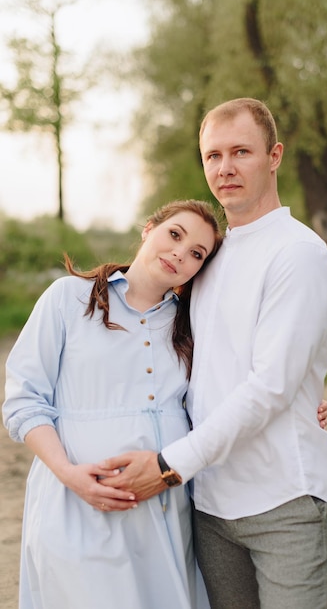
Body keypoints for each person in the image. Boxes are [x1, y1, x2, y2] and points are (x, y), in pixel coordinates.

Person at [98, 98, 327, 609]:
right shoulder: (208, 257)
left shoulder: (298, 256)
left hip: (282, 500)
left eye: (241, 152)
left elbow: (271, 387)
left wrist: (168, 465)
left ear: (274, 156)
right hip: (209, 504)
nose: (225, 168)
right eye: (213, 155)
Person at [2, 200, 225, 609]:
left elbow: (231, 395)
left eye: (197, 253)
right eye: (174, 234)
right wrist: (69, 474)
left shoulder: (193, 324)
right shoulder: (68, 298)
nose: (181, 253)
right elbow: (24, 400)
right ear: (148, 229)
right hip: (76, 504)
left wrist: (302, 406)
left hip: (163, 511)